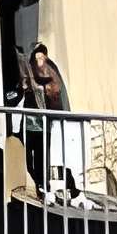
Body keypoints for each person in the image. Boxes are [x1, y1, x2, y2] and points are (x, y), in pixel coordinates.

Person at [24, 43, 83, 204]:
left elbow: (57, 97)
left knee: (49, 158)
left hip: (48, 124)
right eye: (37, 56)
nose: (40, 60)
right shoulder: (28, 74)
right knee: (31, 161)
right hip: (30, 124)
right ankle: (43, 187)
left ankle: (51, 189)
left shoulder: (51, 73)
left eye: (42, 56)